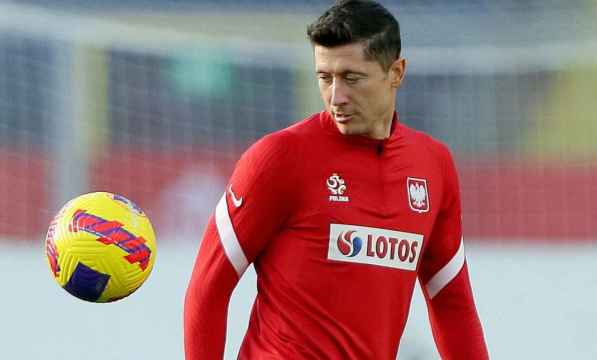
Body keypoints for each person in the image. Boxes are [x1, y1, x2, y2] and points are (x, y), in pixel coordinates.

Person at [184, 1, 489, 359]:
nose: (336, 97)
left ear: (396, 72)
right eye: (324, 78)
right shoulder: (279, 158)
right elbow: (208, 288)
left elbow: (451, 300)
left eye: (352, 78)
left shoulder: (433, 165)